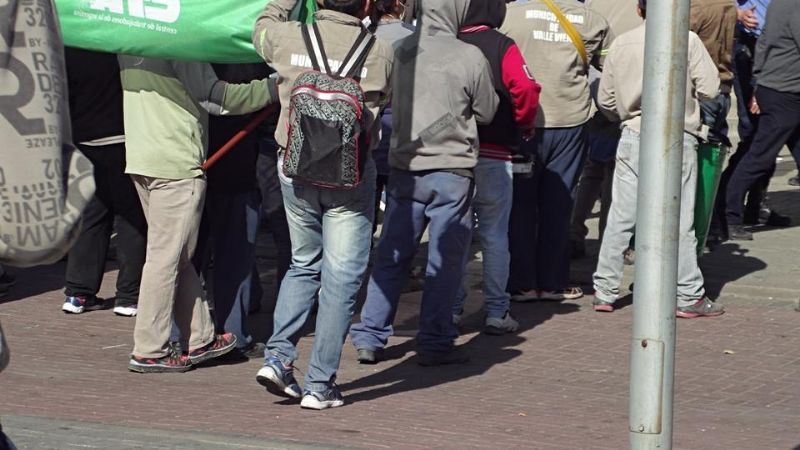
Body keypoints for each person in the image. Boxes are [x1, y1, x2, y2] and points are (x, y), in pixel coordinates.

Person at [251, 0, 393, 410]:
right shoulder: (380, 50)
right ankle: (319, 384)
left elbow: (259, 26)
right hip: (351, 176)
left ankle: (278, 358)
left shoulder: (285, 37)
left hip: (294, 168)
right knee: (342, 278)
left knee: (303, 263)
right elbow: (388, 99)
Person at [350, 0, 498, 366]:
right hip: (452, 170)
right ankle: (434, 341)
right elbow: (487, 111)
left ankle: (369, 336)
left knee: (391, 256)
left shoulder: (398, 51)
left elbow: (379, 97)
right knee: (444, 261)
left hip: (405, 166)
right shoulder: (470, 56)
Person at [119, 55, 279, 373]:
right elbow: (217, 98)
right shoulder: (182, 43)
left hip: (141, 154)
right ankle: (150, 348)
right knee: (166, 257)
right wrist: (274, 87)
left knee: (176, 253)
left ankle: (200, 336)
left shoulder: (129, 36)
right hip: (176, 160)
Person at [591, 0, 725, 318]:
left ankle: (604, 290)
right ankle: (688, 293)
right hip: (678, 135)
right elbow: (710, 88)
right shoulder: (687, 39)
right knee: (679, 219)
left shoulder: (622, 43)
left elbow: (606, 100)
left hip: (633, 134)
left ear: (639, 10)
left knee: (621, 217)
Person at [502, 0, 612, 302]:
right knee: (559, 201)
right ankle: (552, 282)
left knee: (520, 204)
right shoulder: (592, 20)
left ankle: (521, 282)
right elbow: (610, 66)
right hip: (570, 121)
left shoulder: (510, 16)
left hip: (523, 122)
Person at [451, 0, 541, 335]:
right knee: (494, 234)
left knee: (455, 236)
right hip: (495, 151)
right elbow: (527, 87)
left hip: (453, 154)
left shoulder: (449, 42)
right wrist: (524, 122)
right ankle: (496, 311)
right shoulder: (502, 45)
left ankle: (452, 309)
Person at [193, 63, 272, 359]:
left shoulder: (186, 51)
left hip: (199, 167)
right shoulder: (251, 58)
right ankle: (233, 335)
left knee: (190, 259)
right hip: (231, 169)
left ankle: (184, 333)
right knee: (232, 261)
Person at [62, 48, 147, 317]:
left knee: (91, 215)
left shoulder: (73, 45)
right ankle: (128, 296)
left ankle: (78, 292)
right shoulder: (125, 47)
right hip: (124, 138)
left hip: (84, 139)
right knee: (131, 218)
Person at [569, 0, 642, 259]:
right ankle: (610, 243)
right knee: (615, 171)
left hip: (596, 85)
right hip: (625, 87)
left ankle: (575, 233)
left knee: (593, 168)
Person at [722, 0, 800, 241]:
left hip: (776, 88)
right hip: (784, 94)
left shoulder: (779, 4)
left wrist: (758, 81)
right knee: (759, 156)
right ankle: (729, 216)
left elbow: (764, 42)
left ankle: (748, 211)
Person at [371, 0, 414, 236]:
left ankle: (363, 257)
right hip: (404, 130)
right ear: (398, 4)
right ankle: (393, 265)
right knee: (399, 208)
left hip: (369, 127)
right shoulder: (416, 37)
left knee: (364, 206)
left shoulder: (365, 35)